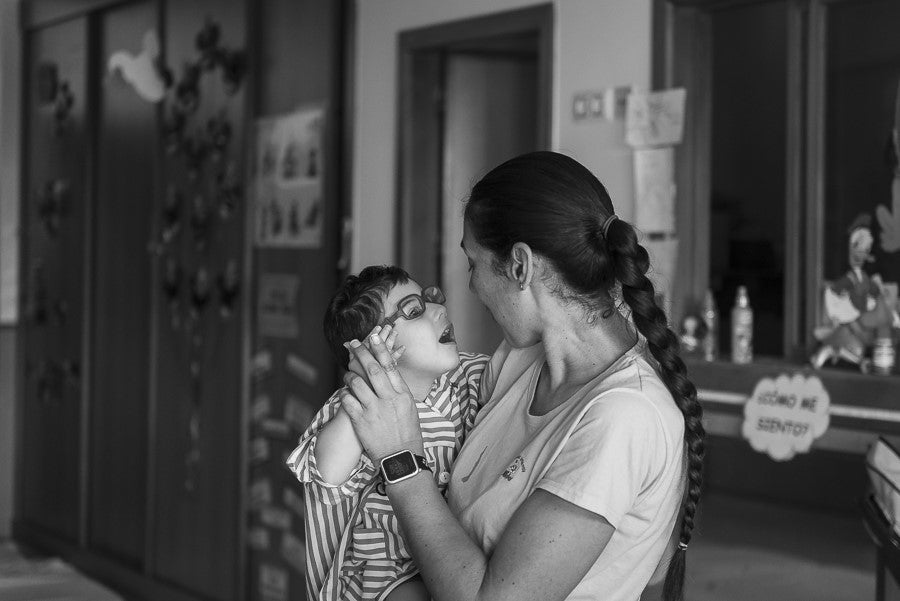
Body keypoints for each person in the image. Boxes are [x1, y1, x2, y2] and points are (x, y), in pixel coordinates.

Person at [339, 151, 705, 601]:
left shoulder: (626, 416)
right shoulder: (519, 362)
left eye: (473, 264)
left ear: (520, 265)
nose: (470, 287)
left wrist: (400, 461)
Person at [285, 265, 488, 601]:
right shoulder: (356, 406)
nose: (440, 310)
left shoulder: (469, 376)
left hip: (456, 549)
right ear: (373, 347)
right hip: (385, 573)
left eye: (430, 298)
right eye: (414, 310)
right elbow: (327, 473)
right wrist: (368, 379)